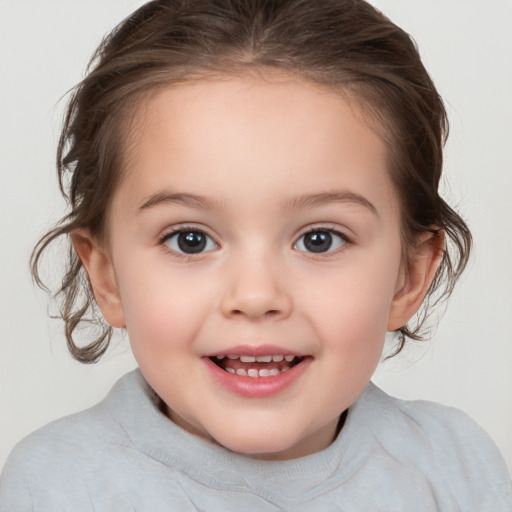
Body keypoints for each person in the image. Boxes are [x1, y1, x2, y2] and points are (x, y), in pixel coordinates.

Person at [1, 0, 511, 509]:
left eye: (319, 239)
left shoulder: (456, 469)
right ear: (107, 275)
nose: (256, 295)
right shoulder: (55, 488)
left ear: (409, 275)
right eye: (190, 239)